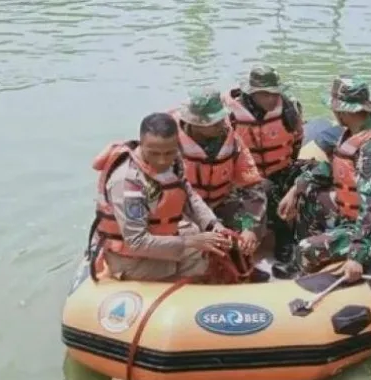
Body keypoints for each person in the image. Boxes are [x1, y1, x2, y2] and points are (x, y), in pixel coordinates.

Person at [277, 75, 371, 282]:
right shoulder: (352, 133)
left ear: (343, 111)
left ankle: (304, 276)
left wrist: (358, 255)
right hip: (351, 217)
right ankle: (315, 251)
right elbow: (332, 169)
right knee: (309, 195)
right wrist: (296, 188)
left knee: (306, 250)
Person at [87, 112, 231, 282]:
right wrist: (190, 241)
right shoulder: (128, 182)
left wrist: (213, 225)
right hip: (132, 259)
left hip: (163, 242)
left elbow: (191, 198)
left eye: (169, 153)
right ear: (141, 144)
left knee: (214, 248)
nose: (162, 161)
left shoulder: (175, 163)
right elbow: (137, 242)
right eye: (154, 153)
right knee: (201, 259)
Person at [222, 64, 308, 266]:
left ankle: (297, 235)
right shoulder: (231, 116)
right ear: (252, 93)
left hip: (281, 168)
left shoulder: (289, 109)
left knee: (311, 179)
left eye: (274, 93)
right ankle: (278, 235)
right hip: (247, 178)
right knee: (263, 190)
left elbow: (296, 141)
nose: (272, 99)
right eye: (265, 94)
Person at [173, 88, 268, 256]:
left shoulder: (232, 142)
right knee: (189, 234)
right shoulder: (170, 146)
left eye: (221, 118)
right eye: (214, 122)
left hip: (219, 204)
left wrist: (249, 227)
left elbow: (252, 185)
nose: (222, 124)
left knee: (255, 220)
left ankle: (241, 259)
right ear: (196, 123)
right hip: (183, 212)